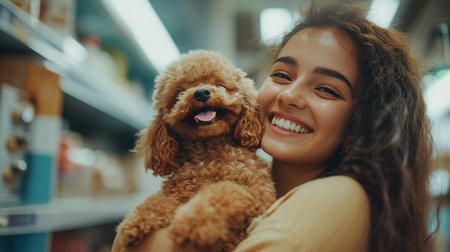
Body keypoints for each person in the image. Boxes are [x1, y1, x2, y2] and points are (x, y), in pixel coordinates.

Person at [112, 2, 434, 252]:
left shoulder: (336, 198)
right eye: (282, 75)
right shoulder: (281, 193)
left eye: (326, 89)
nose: (290, 95)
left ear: (360, 124)